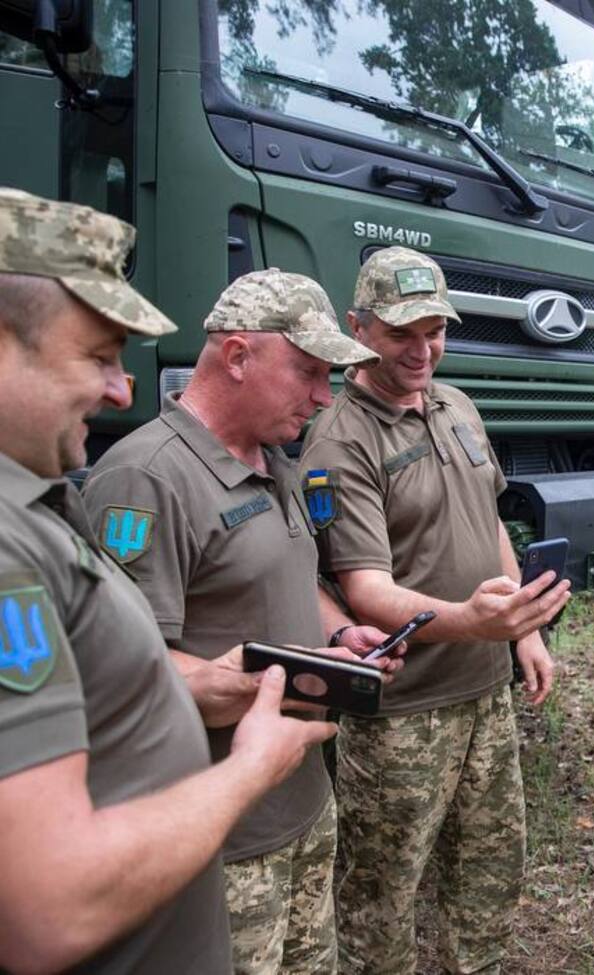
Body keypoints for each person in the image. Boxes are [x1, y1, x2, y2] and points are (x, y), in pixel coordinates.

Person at [0, 188, 334, 974]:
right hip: (219, 843)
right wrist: (248, 767)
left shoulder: (37, 505)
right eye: (96, 355)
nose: (123, 389)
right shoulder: (114, 488)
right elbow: (48, 906)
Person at [82, 268, 404, 975]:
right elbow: (124, 673)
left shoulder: (272, 458)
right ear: (236, 356)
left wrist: (337, 633)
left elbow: (291, 574)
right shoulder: (147, 479)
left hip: (301, 804)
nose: (323, 397)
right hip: (222, 839)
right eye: (309, 372)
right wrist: (276, 680)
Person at [297, 245, 570, 975]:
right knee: (382, 898)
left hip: (485, 693)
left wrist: (523, 630)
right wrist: (476, 622)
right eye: (401, 334)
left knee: (489, 875)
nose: (422, 351)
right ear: (358, 328)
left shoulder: (456, 405)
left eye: (435, 331)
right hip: (403, 711)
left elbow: (490, 527)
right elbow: (365, 590)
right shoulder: (341, 438)